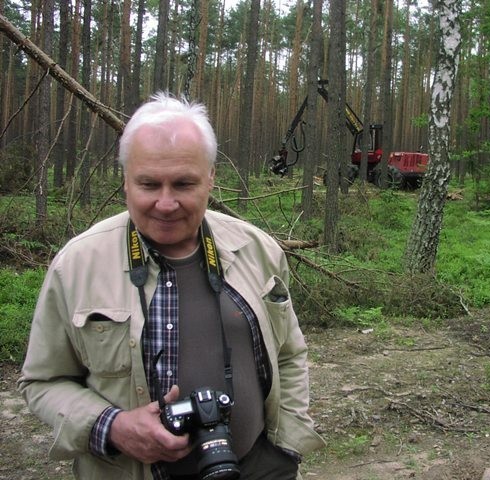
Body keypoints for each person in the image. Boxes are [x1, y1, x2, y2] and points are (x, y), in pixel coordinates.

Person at [18, 92, 325, 480]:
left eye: (183, 183)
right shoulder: (77, 265)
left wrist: (287, 443)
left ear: (211, 178)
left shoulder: (257, 249)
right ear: (126, 180)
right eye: (149, 184)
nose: (166, 203)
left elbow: (289, 352)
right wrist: (111, 426)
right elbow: (43, 381)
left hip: (260, 467)